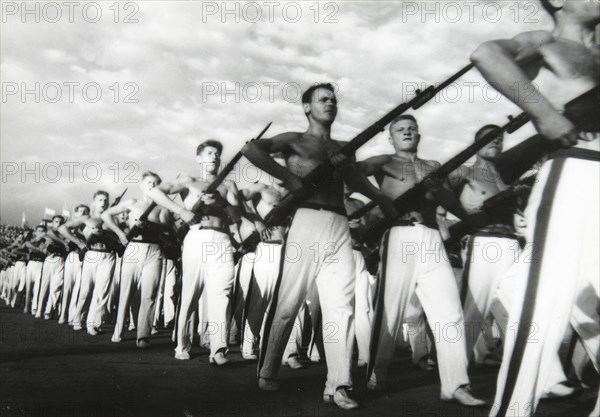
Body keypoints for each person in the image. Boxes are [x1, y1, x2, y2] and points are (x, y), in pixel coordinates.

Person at [470, 1, 600, 415]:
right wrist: (543, 112)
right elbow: (486, 54)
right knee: (542, 311)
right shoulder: (547, 41)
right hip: (574, 174)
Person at [243, 83, 394, 410]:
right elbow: (251, 149)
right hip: (306, 220)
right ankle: (268, 370)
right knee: (288, 301)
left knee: (342, 307)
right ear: (307, 107)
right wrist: (288, 177)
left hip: (340, 224)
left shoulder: (343, 147)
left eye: (334, 99)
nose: (331, 103)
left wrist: (381, 197)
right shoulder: (294, 140)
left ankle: (338, 384)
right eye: (323, 99)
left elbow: (354, 181)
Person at [358, 114, 486, 406]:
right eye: (400, 130)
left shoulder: (434, 167)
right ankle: (376, 375)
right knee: (389, 310)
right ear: (391, 137)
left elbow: (449, 202)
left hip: (431, 238)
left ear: (419, 135)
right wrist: (379, 197)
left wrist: (452, 202)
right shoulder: (382, 162)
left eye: (411, 129)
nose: (407, 132)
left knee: (449, 310)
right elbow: (351, 172)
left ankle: (456, 385)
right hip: (399, 234)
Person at [146, 140, 240, 365]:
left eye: (217, 154)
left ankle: (218, 349)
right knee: (190, 293)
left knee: (222, 294)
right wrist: (181, 211)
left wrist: (223, 203)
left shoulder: (229, 185)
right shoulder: (188, 180)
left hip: (222, 238)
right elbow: (155, 192)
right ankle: (182, 344)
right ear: (199, 158)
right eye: (209, 153)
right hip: (197, 235)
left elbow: (238, 215)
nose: (214, 157)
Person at [102, 171, 171, 348]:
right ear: (141, 185)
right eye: (149, 182)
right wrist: (121, 234)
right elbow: (106, 216)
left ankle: (143, 335)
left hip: (155, 250)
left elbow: (167, 231)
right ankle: (119, 331)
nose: (152, 186)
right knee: (126, 291)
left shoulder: (162, 207)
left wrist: (149, 225)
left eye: (156, 183)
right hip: (134, 248)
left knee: (150, 293)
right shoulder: (132, 203)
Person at [58, 191, 117, 335]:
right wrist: (79, 242)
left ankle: (93, 324)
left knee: (102, 292)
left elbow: (120, 236)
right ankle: (77, 318)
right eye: (100, 200)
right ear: (94, 202)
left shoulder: (112, 219)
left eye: (105, 200)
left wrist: (107, 234)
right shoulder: (86, 218)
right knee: (85, 290)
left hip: (108, 255)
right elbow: (62, 228)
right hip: (91, 254)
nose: (103, 203)